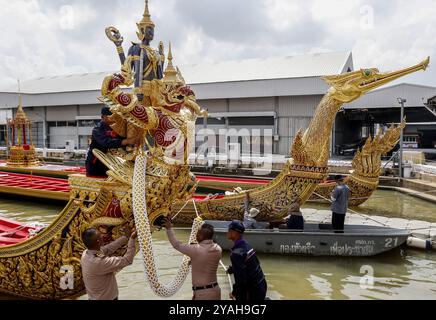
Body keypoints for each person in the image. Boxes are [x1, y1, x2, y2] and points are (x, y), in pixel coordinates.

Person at [163, 217, 222, 300]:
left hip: (203, 294)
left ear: (201, 236)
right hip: (215, 291)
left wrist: (169, 229)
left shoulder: (196, 250)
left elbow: (177, 245)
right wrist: (194, 261)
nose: (196, 235)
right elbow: (205, 260)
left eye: (197, 233)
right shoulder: (218, 249)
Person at [81, 227, 137, 300]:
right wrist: (132, 239)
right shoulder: (99, 262)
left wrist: (125, 237)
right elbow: (127, 260)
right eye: (101, 236)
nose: (103, 236)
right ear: (98, 241)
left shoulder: (86, 253)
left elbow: (108, 249)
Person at [85, 107, 137, 178]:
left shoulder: (118, 127)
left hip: (112, 163)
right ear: (102, 117)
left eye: (114, 116)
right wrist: (125, 141)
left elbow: (125, 140)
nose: (113, 118)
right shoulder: (97, 129)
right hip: (96, 163)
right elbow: (106, 142)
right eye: (110, 116)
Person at [227, 221, 267, 301]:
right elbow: (251, 264)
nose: (227, 233)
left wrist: (234, 292)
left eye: (229, 230)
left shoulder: (236, 254)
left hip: (252, 291)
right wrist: (233, 269)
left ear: (234, 233)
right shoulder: (247, 245)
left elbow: (241, 281)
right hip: (261, 284)